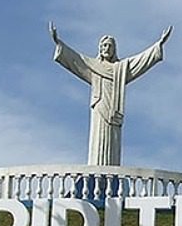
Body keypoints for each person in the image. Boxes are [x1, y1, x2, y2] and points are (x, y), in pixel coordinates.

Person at [50, 22, 172, 165]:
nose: (107, 48)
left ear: (114, 49)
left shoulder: (120, 69)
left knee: (112, 142)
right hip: (99, 107)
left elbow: (140, 61)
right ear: (100, 49)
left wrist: (158, 44)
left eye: (110, 46)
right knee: (98, 140)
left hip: (114, 112)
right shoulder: (93, 66)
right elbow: (76, 59)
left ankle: (109, 175)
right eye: (104, 45)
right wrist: (59, 43)